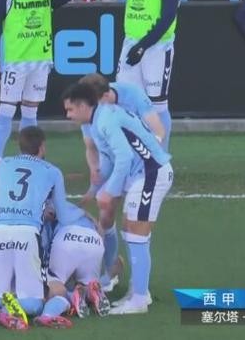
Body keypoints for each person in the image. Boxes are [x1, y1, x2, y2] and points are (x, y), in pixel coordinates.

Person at [63, 83, 173, 315]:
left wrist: (109, 191)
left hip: (151, 173)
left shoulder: (105, 120)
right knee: (132, 232)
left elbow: (123, 158)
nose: (68, 115)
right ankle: (138, 291)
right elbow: (108, 161)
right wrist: (95, 189)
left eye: (70, 109)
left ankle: (139, 299)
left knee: (135, 233)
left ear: (83, 106)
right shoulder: (98, 120)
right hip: (142, 174)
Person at [0, 126, 78, 330]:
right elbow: (63, 216)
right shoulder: (52, 171)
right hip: (28, 236)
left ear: (19, 146)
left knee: (0, 291)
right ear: (42, 147)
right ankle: (6, 307)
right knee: (36, 302)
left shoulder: (3, 165)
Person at [0, 0, 72, 181]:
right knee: (6, 110)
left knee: (31, 111)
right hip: (16, 62)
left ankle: (29, 159)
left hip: (40, 61)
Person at [104, 0, 179, 152]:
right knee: (126, 101)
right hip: (131, 42)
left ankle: (161, 156)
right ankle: (134, 154)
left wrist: (144, 46)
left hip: (157, 46)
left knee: (157, 104)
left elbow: (168, 15)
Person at [77, 74, 165, 206]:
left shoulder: (133, 94)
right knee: (106, 203)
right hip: (119, 152)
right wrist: (94, 170)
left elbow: (158, 131)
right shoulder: (89, 109)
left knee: (135, 204)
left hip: (143, 154)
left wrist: (148, 157)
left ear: (105, 96)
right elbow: (91, 147)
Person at [34, 200, 110, 328]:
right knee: (86, 282)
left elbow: (43, 245)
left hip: (67, 237)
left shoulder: (41, 207)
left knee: (55, 287)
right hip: (94, 240)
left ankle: (70, 296)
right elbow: (100, 231)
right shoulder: (72, 207)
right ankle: (89, 292)